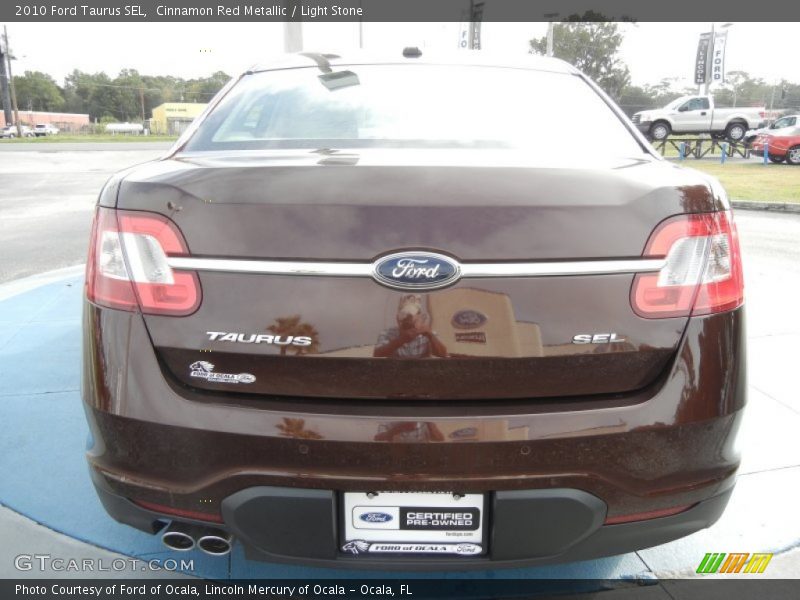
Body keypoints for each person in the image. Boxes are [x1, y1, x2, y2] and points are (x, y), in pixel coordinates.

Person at [373, 294, 448, 358]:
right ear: (398, 318)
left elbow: (443, 354)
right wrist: (400, 340)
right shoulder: (387, 333)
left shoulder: (427, 333)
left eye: (411, 317)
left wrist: (430, 336)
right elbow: (377, 354)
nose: (408, 321)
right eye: (404, 317)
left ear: (419, 317)